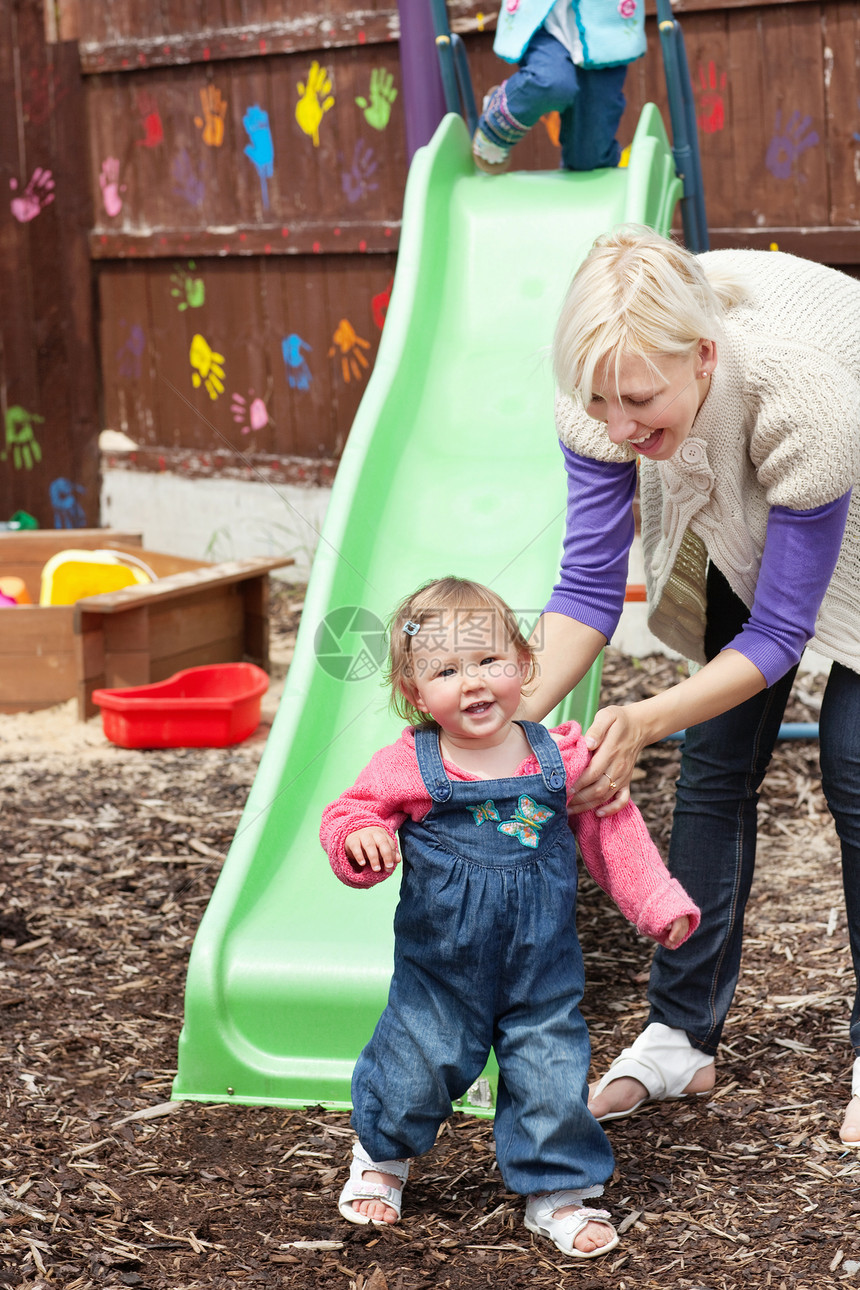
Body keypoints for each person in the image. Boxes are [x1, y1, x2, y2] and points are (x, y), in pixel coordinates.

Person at [520, 223, 860, 1142]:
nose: (618, 427)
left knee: (855, 769)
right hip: (753, 507)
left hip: (845, 478)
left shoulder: (804, 397)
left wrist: (639, 719)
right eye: (599, 400)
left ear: (703, 358)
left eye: (636, 400)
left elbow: (782, 634)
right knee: (716, 762)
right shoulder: (602, 400)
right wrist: (504, 716)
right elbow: (588, 591)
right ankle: (681, 1031)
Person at [320, 576, 700, 1257]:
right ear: (415, 694)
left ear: (524, 664)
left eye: (489, 661)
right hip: (440, 970)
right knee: (415, 1064)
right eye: (445, 670)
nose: (472, 683)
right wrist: (360, 842)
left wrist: (659, 903)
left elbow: (616, 833)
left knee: (550, 1072)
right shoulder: (410, 762)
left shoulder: (561, 757)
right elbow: (351, 812)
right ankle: (383, 1157)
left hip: (540, 968)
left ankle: (556, 1194)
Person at [472, 0, 646, 175]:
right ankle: (498, 120)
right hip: (545, 20)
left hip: (604, 28)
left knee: (588, 159)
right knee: (550, 80)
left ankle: (591, 179)